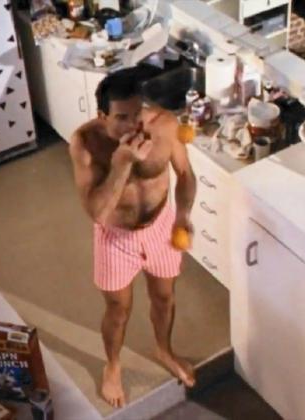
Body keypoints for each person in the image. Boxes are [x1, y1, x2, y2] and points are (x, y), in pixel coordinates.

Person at [68, 65, 197, 408]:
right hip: (116, 237)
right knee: (118, 309)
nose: (134, 125)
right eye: (122, 117)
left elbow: (185, 174)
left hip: (162, 227)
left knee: (165, 297)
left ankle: (164, 350)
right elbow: (97, 212)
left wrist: (183, 215)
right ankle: (112, 366)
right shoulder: (85, 143)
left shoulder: (165, 125)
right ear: (102, 116)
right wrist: (122, 162)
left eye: (137, 113)